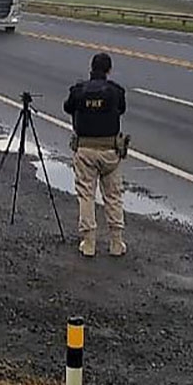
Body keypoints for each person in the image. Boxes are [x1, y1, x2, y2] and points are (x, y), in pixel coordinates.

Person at [63, 53, 127, 258]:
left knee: (86, 195)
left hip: (85, 151)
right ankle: (116, 242)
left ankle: (89, 242)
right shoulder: (115, 91)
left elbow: (67, 107)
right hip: (110, 152)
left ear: (91, 69)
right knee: (114, 196)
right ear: (109, 70)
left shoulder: (79, 91)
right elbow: (122, 109)